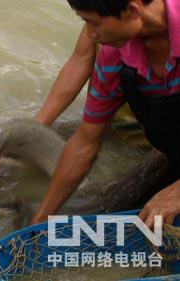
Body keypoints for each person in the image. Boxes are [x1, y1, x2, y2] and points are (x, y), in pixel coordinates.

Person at [32, 0, 180, 228]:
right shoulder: (114, 56)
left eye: (93, 24)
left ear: (131, 11)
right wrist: (42, 217)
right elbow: (86, 141)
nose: (90, 35)